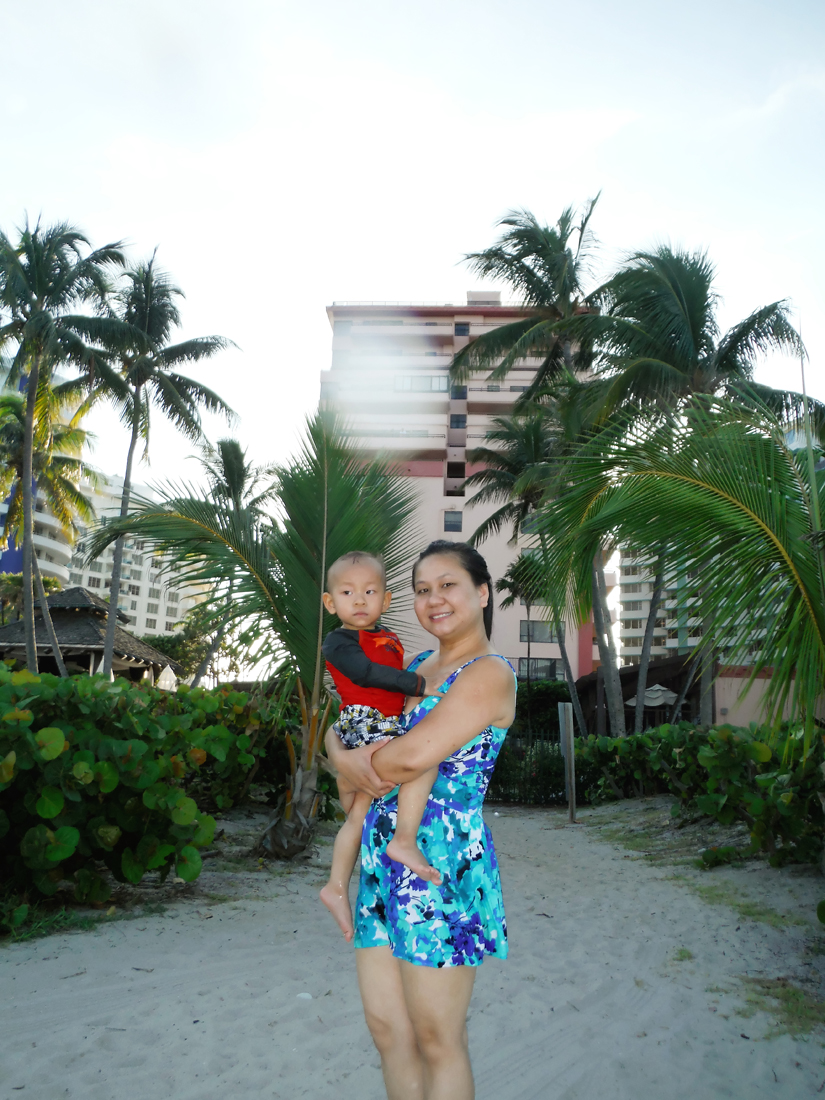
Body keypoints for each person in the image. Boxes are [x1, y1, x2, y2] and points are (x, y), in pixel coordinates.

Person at [326, 540, 516, 1100]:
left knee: (437, 1036)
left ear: (482, 593)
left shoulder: (489, 674)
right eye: (422, 589)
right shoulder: (411, 668)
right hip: (381, 862)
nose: (434, 599)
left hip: (440, 867)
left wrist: (347, 761)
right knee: (388, 1032)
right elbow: (351, 727)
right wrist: (339, 756)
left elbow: (408, 757)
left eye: (448, 585)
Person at [319, 551, 444, 944]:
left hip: (379, 724)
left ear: (385, 600)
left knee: (358, 814)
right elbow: (364, 673)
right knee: (424, 762)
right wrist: (419, 686)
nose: (359, 600)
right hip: (364, 721)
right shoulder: (340, 640)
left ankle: (336, 885)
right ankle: (403, 840)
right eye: (347, 592)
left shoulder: (385, 637)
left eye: (369, 591)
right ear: (330, 602)